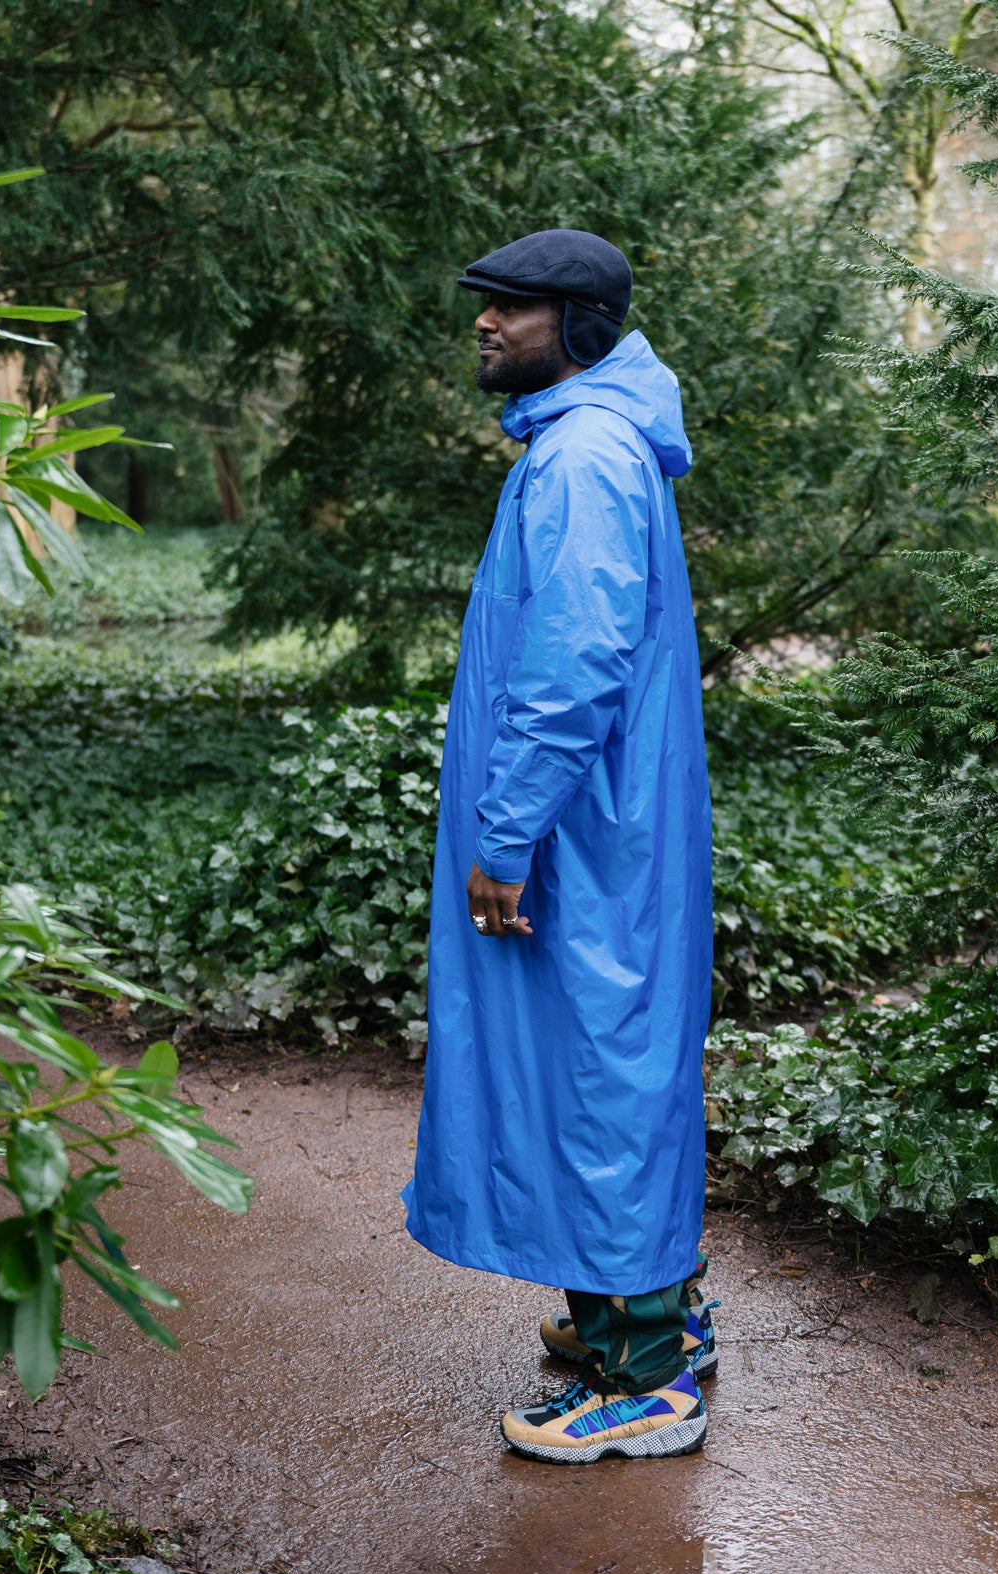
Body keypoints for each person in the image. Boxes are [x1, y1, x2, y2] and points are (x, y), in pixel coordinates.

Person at [400, 229, 716, 1464]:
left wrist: (506, 833)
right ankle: (641, 1310)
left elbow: (574, 667)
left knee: (595, 1078)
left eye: (512, 307)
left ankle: (648, 1380)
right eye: (483, 303)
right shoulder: (589, 440)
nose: (485, 322)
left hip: (580, 836)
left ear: (575, 326)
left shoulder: (583, 455)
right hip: (604, 827)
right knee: (607, 1063)